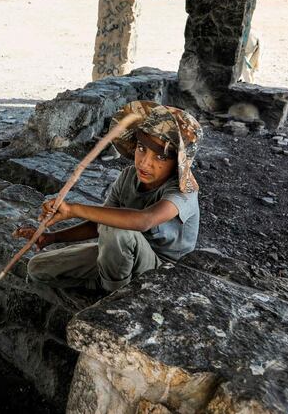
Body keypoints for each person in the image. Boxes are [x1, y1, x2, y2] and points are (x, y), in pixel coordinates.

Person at [13, 101, 203, 292]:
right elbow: (99, 223)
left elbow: (144, 221)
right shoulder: (129, 176)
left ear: (178, 163)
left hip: (161, 270)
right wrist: (52, 238)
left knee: (116, 230)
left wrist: (74, 209)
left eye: (160, 157)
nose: (145, 163)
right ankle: (107, 284)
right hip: (121, 257)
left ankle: (116, 297)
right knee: (38, 268)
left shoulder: (183, 191)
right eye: (142, 148)